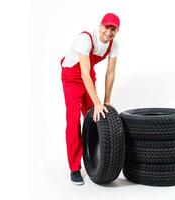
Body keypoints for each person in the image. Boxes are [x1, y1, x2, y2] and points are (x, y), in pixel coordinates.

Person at [60, 13, 120, 185]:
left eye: (113, 29)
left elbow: (110, 72)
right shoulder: (85, 39)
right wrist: (97, 102)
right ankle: (74, 168)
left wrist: (106, 100)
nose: (109, 32)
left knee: (94, 116)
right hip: (72, 76)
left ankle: (93, 159)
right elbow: (84, 74)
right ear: (100, 26)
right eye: (107, 27)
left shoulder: (113, 44)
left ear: (117, 31)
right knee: (73, 121)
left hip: (87, 74)